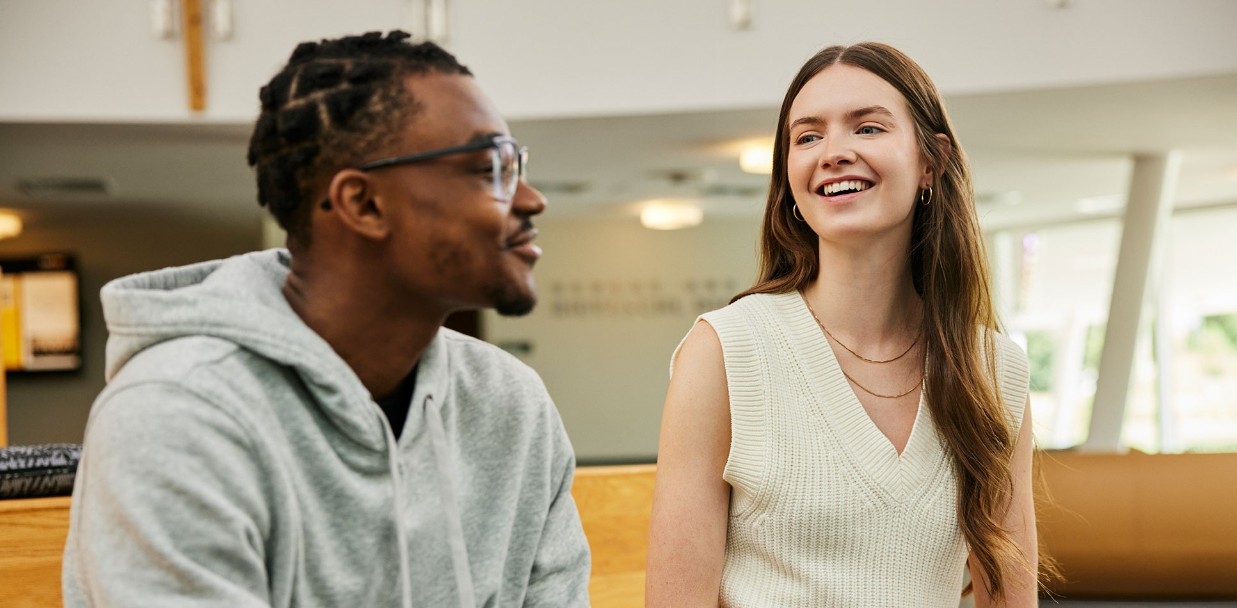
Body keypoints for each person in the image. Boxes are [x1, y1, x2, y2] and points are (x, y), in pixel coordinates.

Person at [63, 30, 590, 607]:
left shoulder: (509, 401)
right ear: (363, 203)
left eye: (517, 164)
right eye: (489, 167)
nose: (531, 199)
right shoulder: (177, 415)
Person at [647, 42, 1043, 607]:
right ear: (789, 179)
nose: (832, 152)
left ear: (931, 162)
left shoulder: (994, 369)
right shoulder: (726, 350)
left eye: (868, 128)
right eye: (808, 137)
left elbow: (1009, 596)